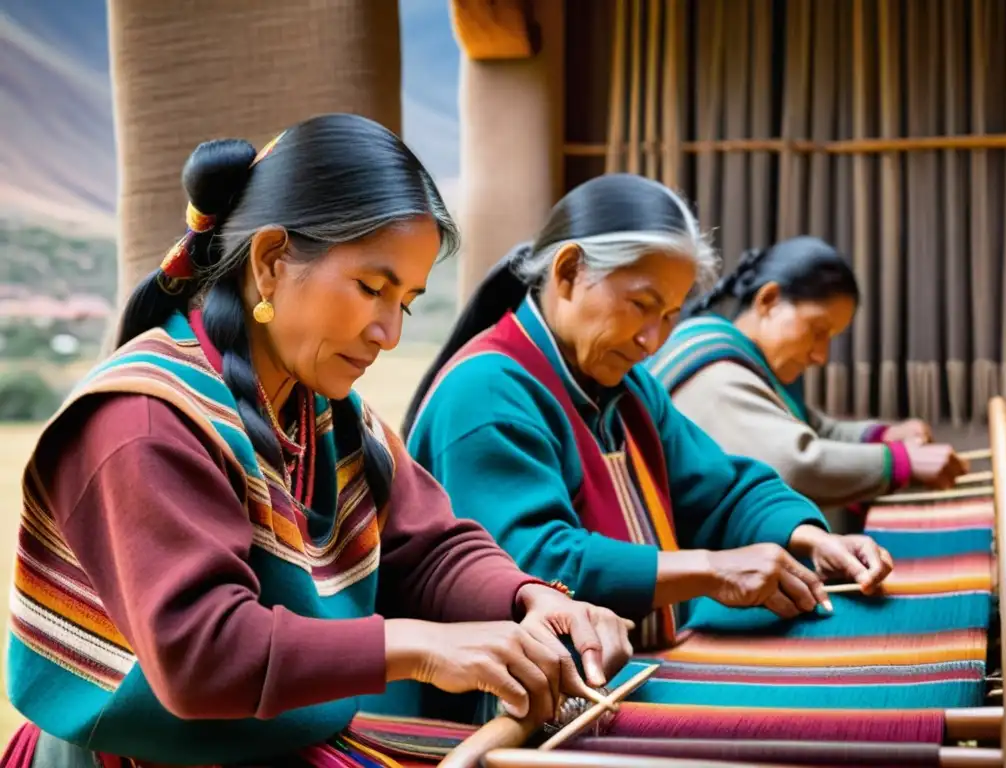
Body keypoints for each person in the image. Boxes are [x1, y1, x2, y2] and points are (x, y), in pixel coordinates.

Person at [1, 114, 634, 768]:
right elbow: (203, 653)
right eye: (371, 289)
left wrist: (526, 598)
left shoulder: (325, 413)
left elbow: (429, 546)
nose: (387, 332)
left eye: (407, 303)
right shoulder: (144, 420)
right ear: (272, 261)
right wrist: (418, 647)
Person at [401, 174, 893, 664]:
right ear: (568, 272)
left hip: (621, 668)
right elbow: (535, 563)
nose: (652, 341)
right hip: (505, 705)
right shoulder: (485, 391)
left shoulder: (627, 386)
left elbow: (719, 486)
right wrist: (711, 570)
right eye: (641, 305)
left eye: (671, 315)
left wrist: (812, 538)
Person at [643, 236, 968, 530]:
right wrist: (901, 462)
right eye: (817, 331)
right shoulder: (715, 376)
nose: (821, 355)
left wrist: (881, 435)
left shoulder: (743, 356)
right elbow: (793, 465)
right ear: (768, 300)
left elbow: (813, 427)